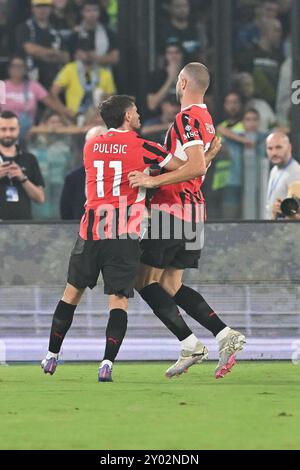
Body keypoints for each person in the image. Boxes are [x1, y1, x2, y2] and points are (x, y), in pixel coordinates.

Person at [41, 95, 183, 381]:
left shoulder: (91, 146)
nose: (140, 114)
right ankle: (106, 363)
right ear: (127, 116)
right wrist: (151, 176)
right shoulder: (144, 146)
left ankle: (52, 355)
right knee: (118, 301)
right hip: (123, 234)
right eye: (136, 110)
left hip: (91, 231)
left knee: (71, 295)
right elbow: (181, 165)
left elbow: (107, 167)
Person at [129, 63, 246, 379]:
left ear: (182, 82)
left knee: (143, 280)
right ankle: (223, 334)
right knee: (170, 283)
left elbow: (192, 167)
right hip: (195, 214)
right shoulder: (207, 121)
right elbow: (199, 168)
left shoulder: (186, 119)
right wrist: (206, 159)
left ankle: (190, 344)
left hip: (172, 212)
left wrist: (152, 182)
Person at [1, 56, 73, 139]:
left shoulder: (33, 86)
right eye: (14, 66)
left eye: (20, 66)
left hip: (28, 133)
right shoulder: (3, 86)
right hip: (5, 133)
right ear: (9, 68)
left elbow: (51, 103)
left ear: (25, 69)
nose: (17, 69)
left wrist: (66, 112)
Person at [51, 37, 116, 121]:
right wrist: (64, 111)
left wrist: (102, 99)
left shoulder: (105, 73)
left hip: (97, 119)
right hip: (73, 118)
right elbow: (53, 92)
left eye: (91, 49)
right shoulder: (69, 69)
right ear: (77, 53)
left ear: (95, 52)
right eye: (84, 50)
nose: (87, 53)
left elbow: (112, 98)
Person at [0, 111, 45, 220]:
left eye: (12, 129)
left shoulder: (29, 159)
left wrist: (23, 178)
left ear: (19, 129)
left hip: (24, 227)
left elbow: (40, 198)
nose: (8, 134)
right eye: (3, 129)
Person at [15, 0, 70, 89]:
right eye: (38, 7)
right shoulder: (24, 27)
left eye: (45, 7)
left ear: (50, 9)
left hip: (52, 81)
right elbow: (31, 50)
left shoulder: (55, 30)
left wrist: (43, 53)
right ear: (32, 9)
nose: (42, 10)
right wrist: (54, 53)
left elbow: (66, 57)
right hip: (29, 80)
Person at [60, 125, 107, 220]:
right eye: (94, 144)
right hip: (80, 232)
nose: (98, 149)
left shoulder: (122, 175)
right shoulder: (72, 179)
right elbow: (65, 214)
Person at [265, 132, 300, 219]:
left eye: (278, 147)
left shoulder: (295, 173)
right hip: (275, 228)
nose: (274, 153)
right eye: (270, 148)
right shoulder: (275, 169)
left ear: (289, 147)